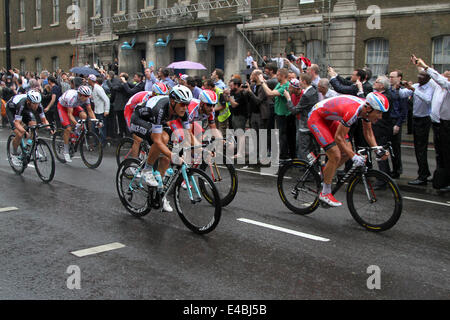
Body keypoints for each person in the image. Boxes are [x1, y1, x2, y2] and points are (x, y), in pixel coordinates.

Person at [307, 93, 390, 207]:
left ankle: (325, 173)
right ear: (369, 108)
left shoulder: (366, 110)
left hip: (330, 118)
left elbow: (368, 132)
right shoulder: (353, 111)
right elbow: (339, 138)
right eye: (379, 112)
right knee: (335, 155)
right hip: (316, 117)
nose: (380, 117)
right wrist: (354, 157)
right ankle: (325, 193)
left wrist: (377, 149)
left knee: (346, 153)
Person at [129, 85, 194, 212]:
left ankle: (160, 193)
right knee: (162, 140)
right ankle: (146, 170)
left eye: (187, 104)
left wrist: (202, 150)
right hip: (139, 119)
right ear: (173, 101)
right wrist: (174, 156)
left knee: (165, 158)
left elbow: (189, 135)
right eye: (182, 104)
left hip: (155, 122)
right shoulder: (160, 109)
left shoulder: (183, 111)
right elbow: (158, 141)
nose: (185, 107)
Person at [412, 55, 450, 189]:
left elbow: (439, 79)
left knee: (447, 154)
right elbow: (433, 77)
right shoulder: (439, 87)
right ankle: (441, 177)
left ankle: (447, 181)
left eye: (447, 76)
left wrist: (425, 66)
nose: (444, 78)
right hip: (437, 124)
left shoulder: (448, 87)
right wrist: (420, 66)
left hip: (446, 125)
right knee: (440, 153)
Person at [400, 69, 436, 185]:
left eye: (422, 75)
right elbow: (402, 94)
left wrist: (413, 89)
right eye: (419, 74)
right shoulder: (416, 86)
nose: (419, 77)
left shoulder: (429, 89)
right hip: (415, 119)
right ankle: (424, 173)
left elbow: (427, 100)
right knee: (418, 149)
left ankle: (423, 176)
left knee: (421, 149)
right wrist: (402, 86)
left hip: (424, 120)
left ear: (428, 79)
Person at [5, 91, 52, 166]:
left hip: (25, 110)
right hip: (12, 109)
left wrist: (49, 127)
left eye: (38, 103)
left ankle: (30, 146)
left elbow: (44, 120)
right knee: (20, 133)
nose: (36, 106)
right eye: (34, 104)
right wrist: (24, 131)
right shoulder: (21, 105)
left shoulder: (39, 105)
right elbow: (17, 122)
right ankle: (14, 154)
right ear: (28, 101)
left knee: (34, 126)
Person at [124, 83, 168, 161]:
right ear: (154, 93)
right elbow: (139, 116)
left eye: (164, 95)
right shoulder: (145, 99)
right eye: (159, 95)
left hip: (144, 113)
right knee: (138, 139)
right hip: (131, 110)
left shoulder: (158, 100)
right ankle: (133, 163)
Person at [57, 86, 98, 163]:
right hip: (63, 107)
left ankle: (74, 134)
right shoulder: (72, 98)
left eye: (88, 96)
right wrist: (76, 124)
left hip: (74, 106)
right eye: (85, 96)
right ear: (80, 95)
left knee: (84, 116)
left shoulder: (86, 98)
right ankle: (66, 151)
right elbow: (70, 114)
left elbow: (90, 111)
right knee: (68, 128)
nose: (87, 98)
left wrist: (96, 121)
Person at [285, 73, 320, 160]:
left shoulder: (306, 95)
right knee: (313, 148)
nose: (299, 82)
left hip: (305, 126)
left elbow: (295, 110)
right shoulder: (314, 89)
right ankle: (315, 165)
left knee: (304, 149)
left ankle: (311, 166)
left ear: (304, 81)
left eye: (300, 80)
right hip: (313, 124)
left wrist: (288, 99)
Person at [388, 70, 409, 179]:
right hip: (387, 121)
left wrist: (398, 124)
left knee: (395, 147)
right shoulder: (388, 89)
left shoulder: (402, 92)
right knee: (387, 147)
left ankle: (397, 170)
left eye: (393, 77)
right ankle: (389, 170)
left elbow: (404, 110)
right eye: (390, 77)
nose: (390, 79)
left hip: (395, 121)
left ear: (399, 78)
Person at [88, 74, 110, 147]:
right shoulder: (93, 88)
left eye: (88, 80)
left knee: (101, 128)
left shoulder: (98, 88)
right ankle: (96, 141)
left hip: (101, 111)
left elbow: (106, 99)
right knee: (94, 128)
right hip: (96, 111)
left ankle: (102, 142)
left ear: (91, 80)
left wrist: (106, 110)